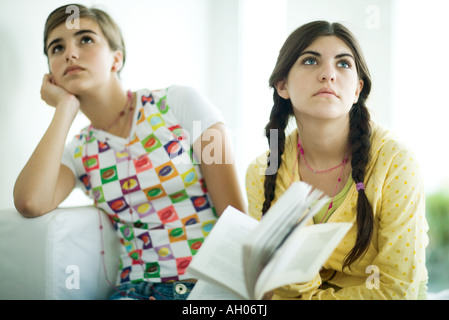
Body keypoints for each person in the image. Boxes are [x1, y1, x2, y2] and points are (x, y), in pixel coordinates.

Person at [13, 4, 246, 300]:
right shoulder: (79, 152)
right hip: (133, 292)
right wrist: (65, 109)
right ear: (52, 77)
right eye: (57, 48)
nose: (70, 53)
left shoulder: (183, 103)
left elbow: (235, 215)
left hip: (208, 289)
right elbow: (29, 202)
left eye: (85, 39)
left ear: (116, 58)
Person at [246, 20, 428, 300]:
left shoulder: (395, 162)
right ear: (282, 85)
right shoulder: (262, 172)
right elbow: (273, 288)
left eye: (343, 64)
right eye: (310, 61)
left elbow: (396, 290)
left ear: (357, 89)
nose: (328, 74)